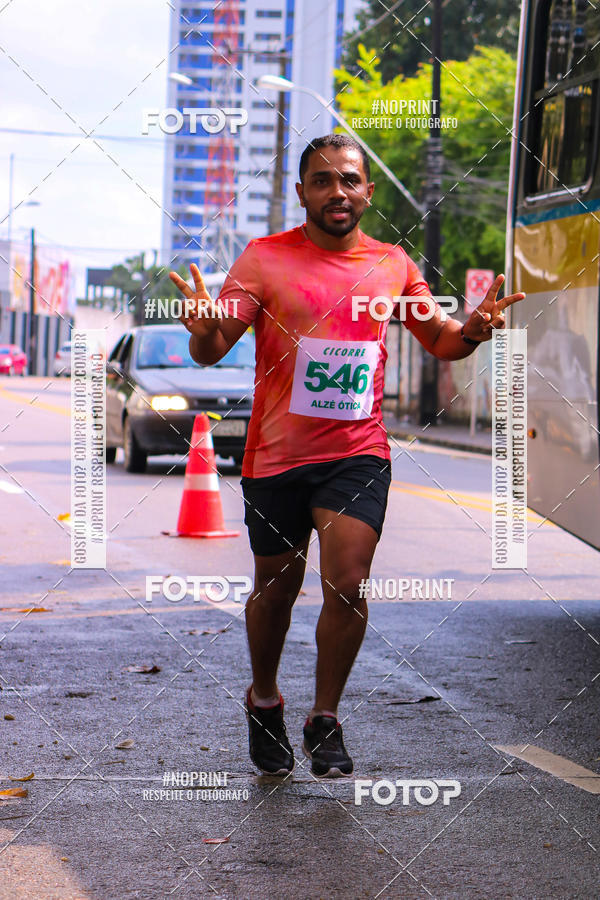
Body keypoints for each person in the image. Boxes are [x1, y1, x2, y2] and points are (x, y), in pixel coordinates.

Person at [170, 134, 525, 778]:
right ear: (301, 191)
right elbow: (214, 346)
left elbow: (440, 339)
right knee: (275, 590)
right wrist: (202, 332)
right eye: (323, 180)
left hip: (356, 453)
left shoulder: (392, 264)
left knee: (349, 576)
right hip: (276, 456)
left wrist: (471, 330)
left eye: (350, 180)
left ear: (367, 191)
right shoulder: (263, 259)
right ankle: (266, 698)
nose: (338, 191)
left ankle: (325, 718)